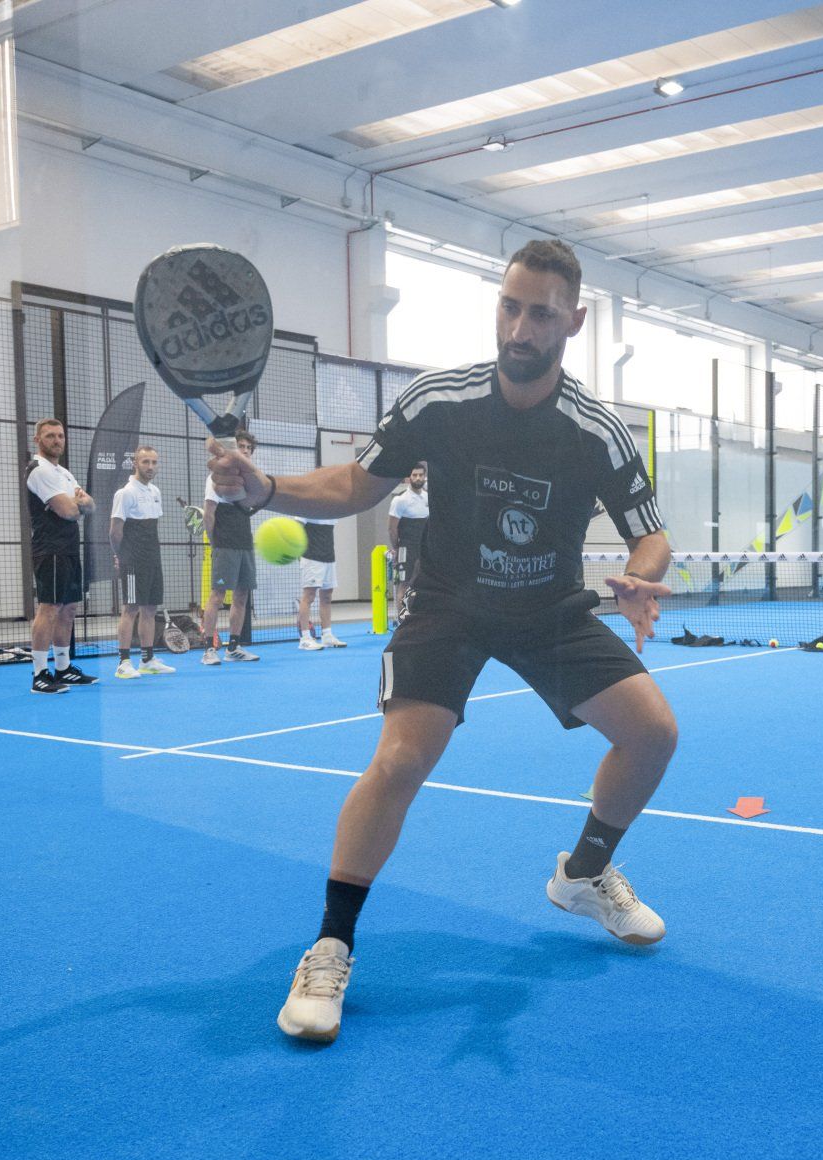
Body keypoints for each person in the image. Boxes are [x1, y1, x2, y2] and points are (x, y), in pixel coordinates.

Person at [208, 239, 675, 1045]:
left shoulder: (596, 429)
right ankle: (329, 944)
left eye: (541, 314)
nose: (521, 329)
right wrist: (268, 487)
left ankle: (585, 873)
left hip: (549, 610)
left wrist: (639, 575)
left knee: (654, 733)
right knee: (398, 761)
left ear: (576, 320)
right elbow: (358, 484)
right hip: (451, 604)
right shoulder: (440, 400)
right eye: (511, 307)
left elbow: (651, 533)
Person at [24, 418, 98, 693]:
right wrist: (77, 503)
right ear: (38, 440)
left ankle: (63, 668)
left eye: (60, 436)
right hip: (49, 549)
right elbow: (68, 511)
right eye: (50, 436)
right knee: (50, 608)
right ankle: (40, 674)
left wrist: (79, 503)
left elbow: (90, 505)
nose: (57, 441)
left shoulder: (63, 473)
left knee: (69, 609)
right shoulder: (38, 470)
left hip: (69, 548)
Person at [109, 444, 174, 678]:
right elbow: (115, 531)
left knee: (150, 608)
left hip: (153, 558)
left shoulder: (155, 492)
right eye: (145, 462)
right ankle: (123, 663)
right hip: (133, 560)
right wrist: (121, 556)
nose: (150, 466)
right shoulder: (125, 493)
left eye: (154, 462)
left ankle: (147, 660)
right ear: (135, 463)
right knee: (131, 608)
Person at [200, 428, 263, 665]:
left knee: (242, 594)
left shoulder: (251, 478)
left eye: (248, 448)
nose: (245, 450)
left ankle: (233, 648)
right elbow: (209, 513)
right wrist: (215, 542)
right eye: (241, 446)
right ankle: (208, 649)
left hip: (245, 542)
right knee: (217, 596)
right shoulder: (216, 477)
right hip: (224, 543)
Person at [387, 463, 430, 625]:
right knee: (404, 585)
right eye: (414, 475)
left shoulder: (428, 498)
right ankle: (403, 621)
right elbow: (392, 528)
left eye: (420, 475)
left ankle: (419, 618)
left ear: (424, 476)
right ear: (408, 477)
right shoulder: (400, 500)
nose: (418, 478)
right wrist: (397, 548)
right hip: (406, 548)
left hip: (424, 549)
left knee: (423, 584)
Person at [295, 518, 346, 650]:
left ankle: (327, 635)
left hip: (329, 556)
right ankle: (305, 638)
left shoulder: (331, 509)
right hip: (311, 557)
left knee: (327, 596)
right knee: (309, 596)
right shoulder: (306, 506)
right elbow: (296, 529)